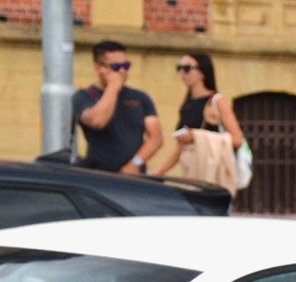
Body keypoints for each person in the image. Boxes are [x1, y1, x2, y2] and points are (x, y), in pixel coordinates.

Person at [154, 51, 246, 194]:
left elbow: (237, 139)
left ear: (202, 72)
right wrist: (159, 172)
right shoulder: (185, 103)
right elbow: (180, 147)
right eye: (180, 68)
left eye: (187, 68)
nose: (182, 73)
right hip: (193, 174)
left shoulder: (216, 101)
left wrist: (197, 136)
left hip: (214, 175)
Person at [72, 41, 163, 175]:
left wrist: (135, 163)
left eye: (126, 66)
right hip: (98, 175)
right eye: (115, 67)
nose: (122, 71)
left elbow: (156, 138)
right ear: (97, 67)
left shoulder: (140, 98)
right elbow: (97, 121)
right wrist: (113, 87)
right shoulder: (84, 96)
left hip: (133, 176)